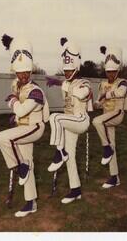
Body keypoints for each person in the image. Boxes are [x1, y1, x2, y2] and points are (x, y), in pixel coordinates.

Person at [0, 34, 49, 217]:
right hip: (23, 129)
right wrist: (15, 115)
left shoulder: (36, 91)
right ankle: (31, 202)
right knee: (29, 163)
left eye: (27, 71)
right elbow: (19, 113)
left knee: (2, 137)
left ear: (31, 71)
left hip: (35, 128)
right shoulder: (17, 86)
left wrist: (12, 102)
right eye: (20, 72)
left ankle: (19, 167)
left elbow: (20, 109)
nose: (24, 75)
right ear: (15, 72)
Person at [47, 37, 93, 204]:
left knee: (54, 117)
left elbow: (83, 92)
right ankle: (76, 190)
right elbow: (67, 87)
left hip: (81, 120)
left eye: (69, 70)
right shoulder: (66, 83)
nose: (66, 73)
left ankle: (59, 152)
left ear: (76, 68)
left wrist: (67, 86)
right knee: (71, 157)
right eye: (65, 70)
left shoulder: (84, 82)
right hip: (69, 121)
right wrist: (60, 83)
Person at [92, 46, 127, 189]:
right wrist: (94, 103)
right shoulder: (103, 84)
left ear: (117, 71)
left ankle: (106, 148)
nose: (110, 75)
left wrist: (107, 95)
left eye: (113, 72)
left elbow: (121, 93)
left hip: (117, 114)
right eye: (108, 72)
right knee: (112, 144)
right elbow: (99, 102)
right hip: (106, 117)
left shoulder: (122, 82)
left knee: (96, 121)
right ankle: (114, 177)